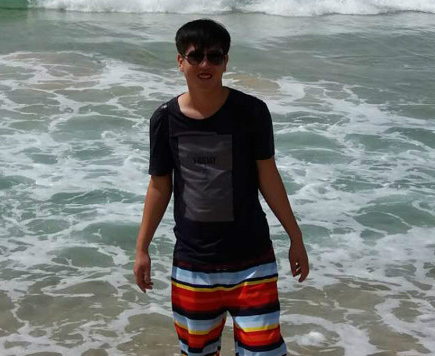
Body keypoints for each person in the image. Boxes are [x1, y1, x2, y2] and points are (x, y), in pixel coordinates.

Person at [133, 19, 310, 356]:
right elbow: (159, 187)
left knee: (264, 352)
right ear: (180, 61)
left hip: (252, 261)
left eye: (214, 57)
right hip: (193, 265)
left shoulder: (252, 112)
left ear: (226, 62)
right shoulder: (165, 118)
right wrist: (142, 249)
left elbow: (268, 177)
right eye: (195, 56)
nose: (205, 65)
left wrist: (295, 237)